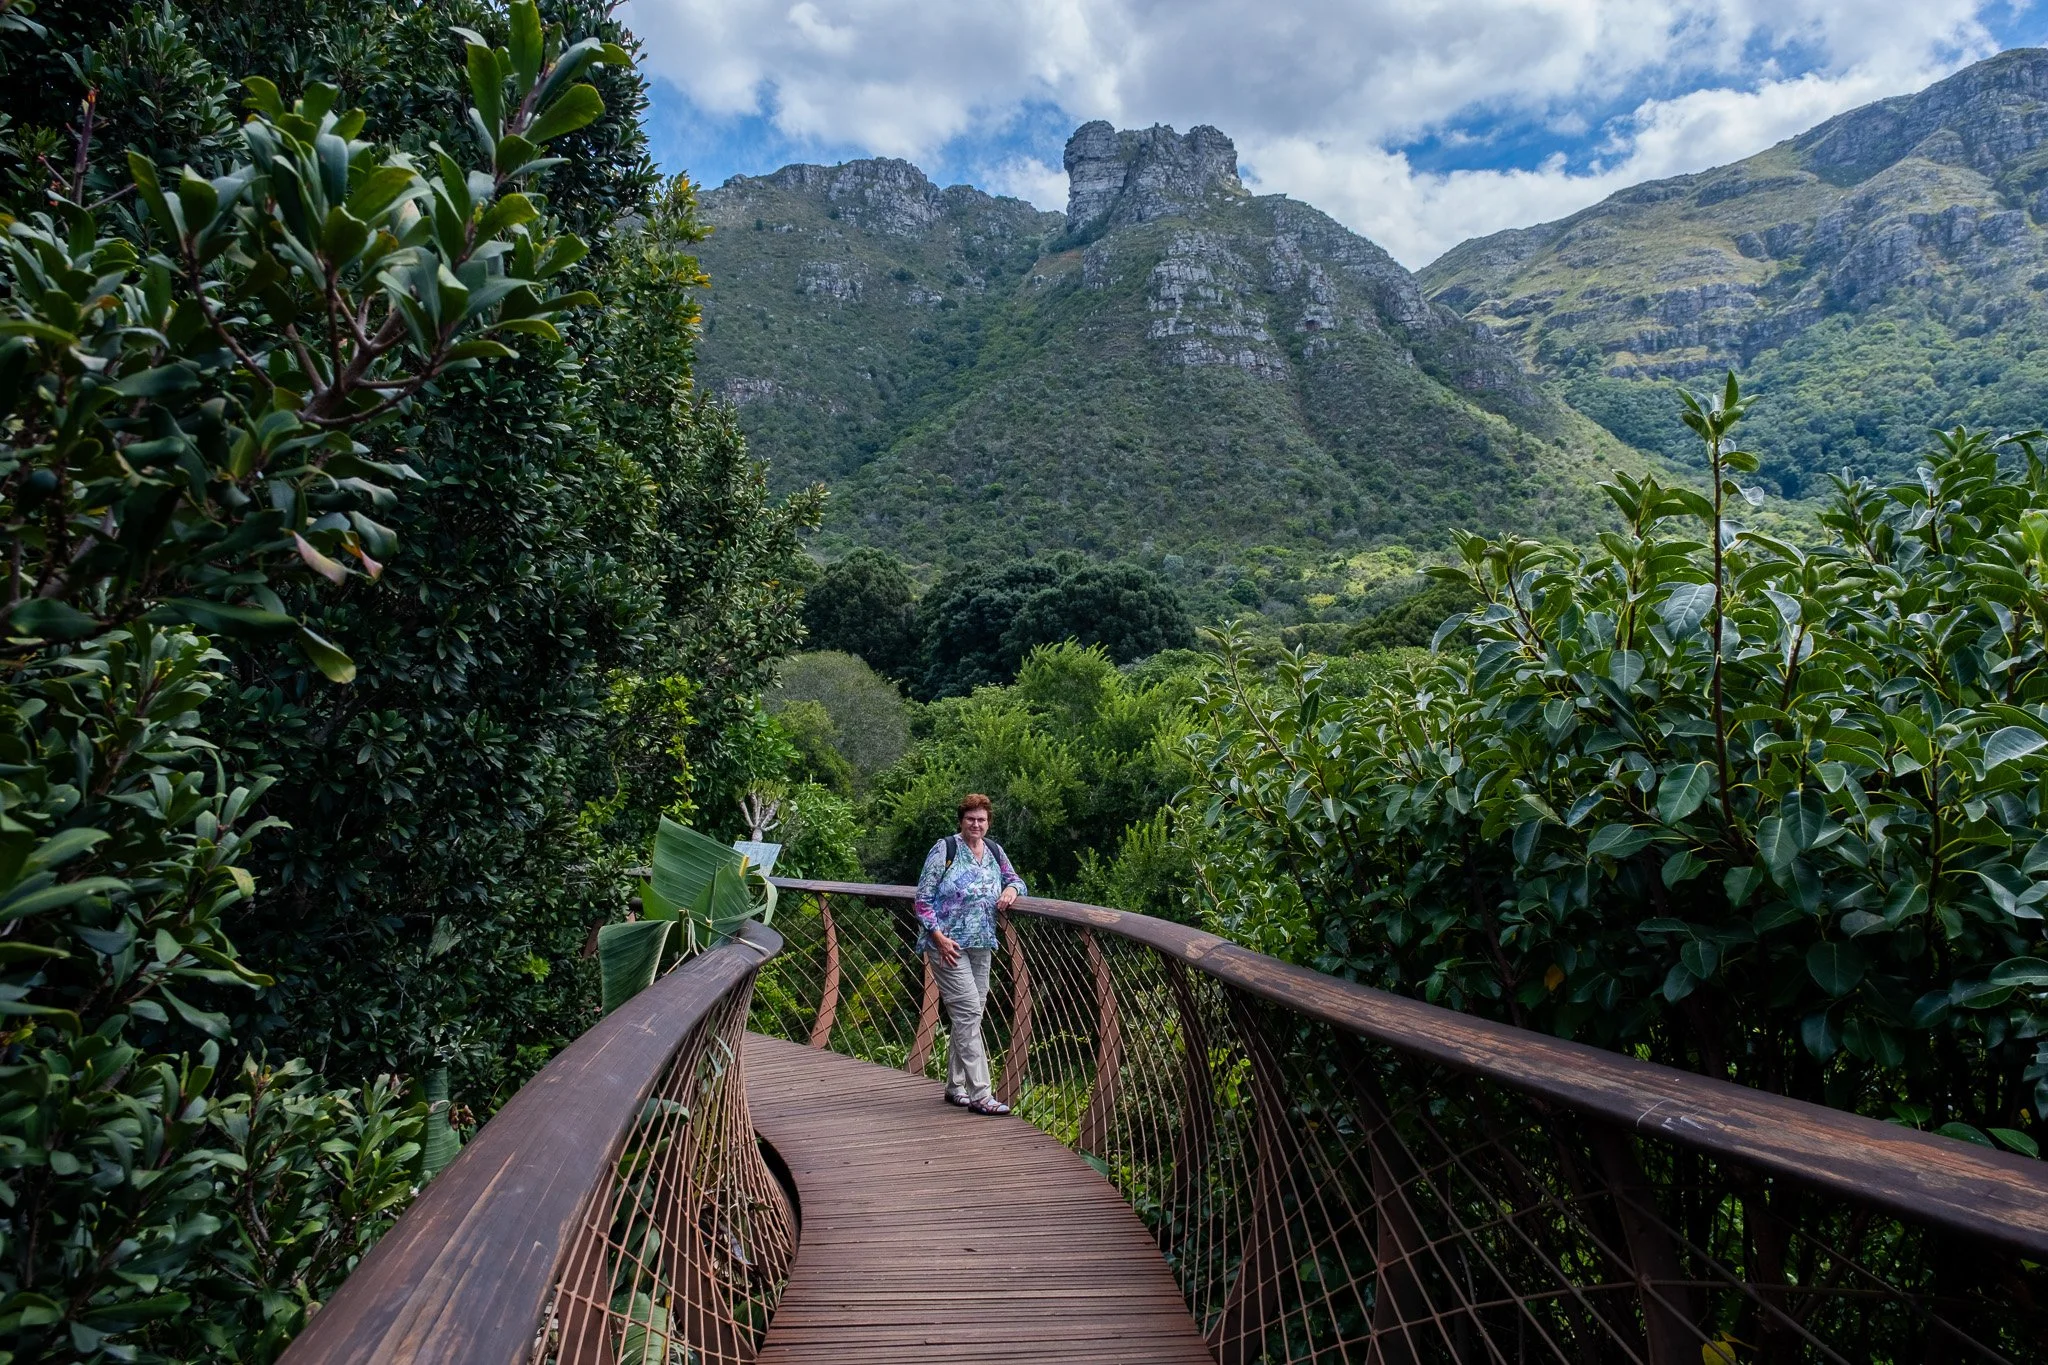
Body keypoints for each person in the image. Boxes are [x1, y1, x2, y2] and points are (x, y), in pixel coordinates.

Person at [912, 793, 1026, 1115]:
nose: (976, 824)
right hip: (948, 947)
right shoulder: (945, 850)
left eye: (982, 819)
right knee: (967, 1012)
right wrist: (937, 937)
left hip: (982, 944)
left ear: (988, 822)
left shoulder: (994, 851)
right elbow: (922, 899)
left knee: (971, 1014)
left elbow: (1016, 879)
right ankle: (981, 1094)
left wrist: (1011, 890)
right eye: (970, 819)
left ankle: (955, 1086)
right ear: (961, 821)